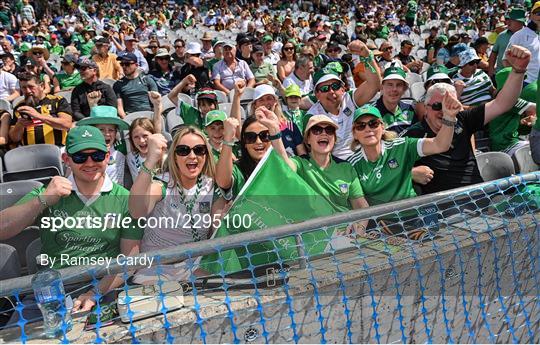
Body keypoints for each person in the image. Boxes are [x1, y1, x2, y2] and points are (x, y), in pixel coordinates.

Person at [0, 125, 143, 314]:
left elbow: (130, 261)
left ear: (107, 157)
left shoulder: (126, 199)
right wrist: (43, 200)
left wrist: (94, 293)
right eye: (80, 157)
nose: (90, 162)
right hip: (55, 289)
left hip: (106, 285)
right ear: (66, 159)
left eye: (97, 156)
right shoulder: (48, 193)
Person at [405, 45, 531, 194]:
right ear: (426, 107)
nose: (444, 111)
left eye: (450, 105)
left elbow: (502, 103)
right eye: (438, 106)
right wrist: (411, 173)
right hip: (443, 206)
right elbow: (386, 165)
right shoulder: (414, 134)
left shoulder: (463, 119)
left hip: (477, 198)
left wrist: (518, 71)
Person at [128, 126, 225, 283]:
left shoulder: (212, 187)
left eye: (199, 150)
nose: (192, 156)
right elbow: (137, 211)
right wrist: (151, 160)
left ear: (206, 155)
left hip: (194, 266)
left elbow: (217, 231)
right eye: (183, 150)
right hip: (156, 267)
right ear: (174, 156)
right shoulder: (162, 184)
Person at [258, 107, 369, 212]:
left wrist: (359, 230)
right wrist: (274, 130)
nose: (324, 133)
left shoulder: (346, 167)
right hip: (314, 230)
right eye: (317, 130)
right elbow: (284, 166)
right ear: (308, 139)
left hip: (346, 229)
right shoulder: (301, 163)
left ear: (334, 139)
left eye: (329, 130)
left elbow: (360, 204)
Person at [305, 40, 381, 160]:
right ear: (317, 95)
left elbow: (374, 85)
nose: (331, 91)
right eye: (324, 88)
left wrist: (367, 56)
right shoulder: (312, 116)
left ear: (343, 89)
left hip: (361, 156)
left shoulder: (349, 98)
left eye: (335, 86)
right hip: (335, 163)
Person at [10, 72, 72, 147]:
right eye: (24, 88)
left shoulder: (57, 100)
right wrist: (19, 125)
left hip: (57, 148)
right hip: (30, 151)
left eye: (31, 87)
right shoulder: (19, 107)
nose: (28, 91)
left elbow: (66, 125)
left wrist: (39, 116)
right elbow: (14, 138)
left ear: (42, 86)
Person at [216, 115, 271, 199]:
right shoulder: (238, 170)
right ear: (244, 142)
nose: (258, 142)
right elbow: (223, 182)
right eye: (250, 137)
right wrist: (228, 138)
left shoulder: (282, 164)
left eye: (264, 135)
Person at [246, 84, 306, 157]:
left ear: (275, 102)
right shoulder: (251, 129)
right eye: (261, 100)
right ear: (255, 104)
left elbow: (302, 154)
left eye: (269, 98)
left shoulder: (290, 126)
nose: (265, 103)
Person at [77, 105, 132, 184]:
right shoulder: (84, 151)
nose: (107, 133)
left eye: (111, 130)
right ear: (92, 131)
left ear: (116, 132)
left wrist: (156, 105)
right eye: (101, 130)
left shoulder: (122, 147)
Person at [372, 66, 417, 135]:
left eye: (399, 85)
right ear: (382, 87)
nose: (394, 89)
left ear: (404, 88)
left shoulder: (410, 109)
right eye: (390, 85)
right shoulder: (372, 112)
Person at [504, 4, 540, 86]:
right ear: (531, 16)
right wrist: (517, 80)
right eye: (538, 13)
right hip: (526, 83)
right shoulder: (519, 35)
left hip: (537, 82)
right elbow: (505, 61)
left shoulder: (537, 35)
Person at [113, 52, 158, 117]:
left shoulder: (147, 80)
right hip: (130, 116)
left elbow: (156, 103)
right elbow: (120, 108)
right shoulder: (118, 84)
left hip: (148, 115)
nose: (124, 67)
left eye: (127, 64)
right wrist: (126, 119)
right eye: (122, 64)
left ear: (136, 65)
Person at [126, 108, 163, 181]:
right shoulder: (131, 158)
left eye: (145, 136)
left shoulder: (162, 155)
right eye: (136, 137)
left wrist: (157, 106)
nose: (141, 141)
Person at [488, 8, 524, 77]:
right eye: (508, 19)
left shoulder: (528, 37)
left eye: (512, 20)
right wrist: (491, 69)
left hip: (520, 77)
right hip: (500, 74)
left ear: (520, 22)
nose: (508, 22)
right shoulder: (501, 35)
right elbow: (494, 53)